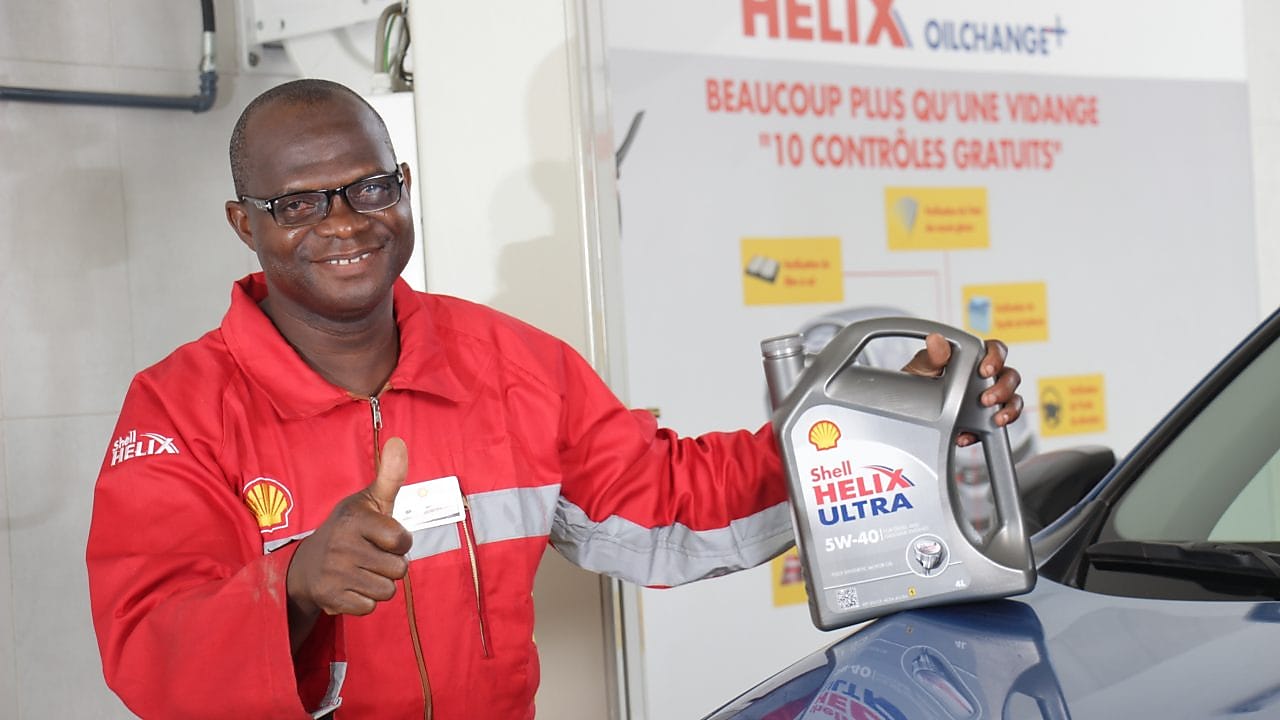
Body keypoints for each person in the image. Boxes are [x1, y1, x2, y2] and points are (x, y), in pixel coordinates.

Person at [85, 79, 1024, 719]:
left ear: (403, 190)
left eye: (370, 185)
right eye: (300, 203)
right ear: (244, 224)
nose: (345, 223)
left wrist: (872, 428)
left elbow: (670, 505)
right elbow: (145, 651)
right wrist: (290, 586)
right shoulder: (177, 411)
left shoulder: (506, 365)